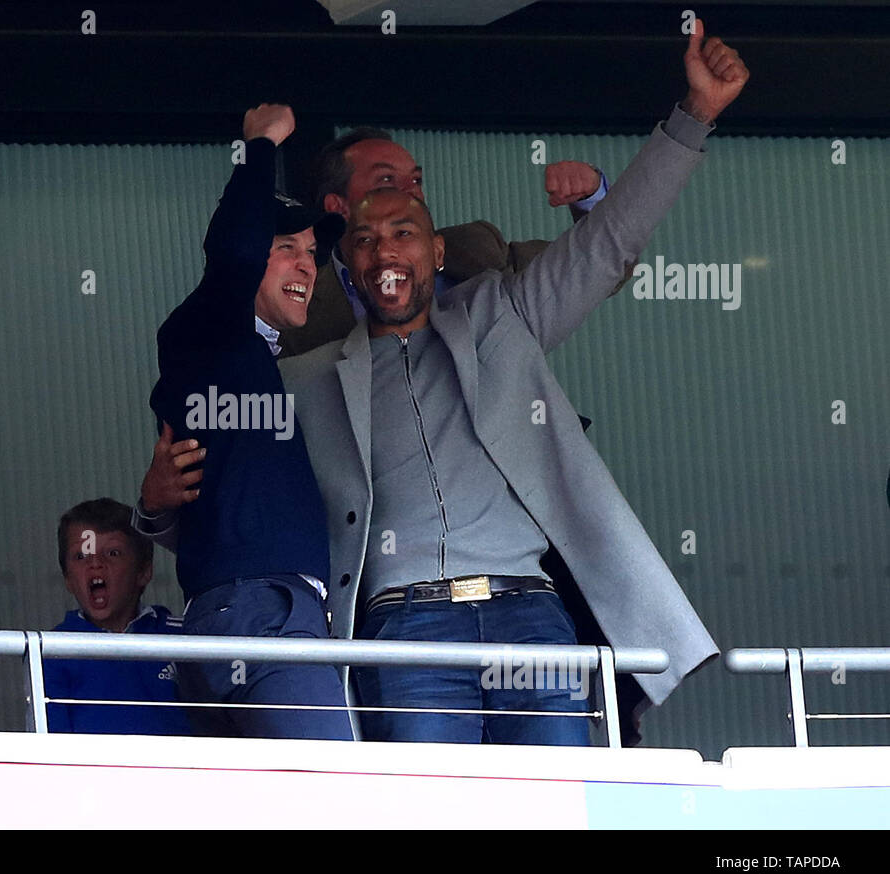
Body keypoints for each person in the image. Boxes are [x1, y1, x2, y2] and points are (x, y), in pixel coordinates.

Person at [275, 20, 746, 744]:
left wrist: (696, 117)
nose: (384, 251)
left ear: (435, 250)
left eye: (403, 230)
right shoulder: (310, 375)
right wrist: (155, 513)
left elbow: (609, 243)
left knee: (560, 803)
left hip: (531, 616)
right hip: (404, 626)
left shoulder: (503, 310)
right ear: (346, 253)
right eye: (366, 239)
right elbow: (236, 481)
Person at [138, 103, 353, 741]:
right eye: (285, 248)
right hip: (263, 611)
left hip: (246, 612)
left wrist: (151, 512)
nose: (306, 266)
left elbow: (210, 490)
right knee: (330, 800)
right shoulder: (212, 330)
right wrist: (260, 145)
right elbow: (231, 253)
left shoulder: (253, 359)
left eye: (311, 253)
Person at [278, 134, 616, 357]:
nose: (412, 192)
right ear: (338, 207)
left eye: (416, 180)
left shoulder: (477, 251)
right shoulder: (295, 301)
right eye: (386, 181)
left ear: (438, 250)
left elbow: (595, 271)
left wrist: (591, 197)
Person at [44, 499, 190, 735]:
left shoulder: (181, 636)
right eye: (81, 557)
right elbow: (49, 745)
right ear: (68, 579)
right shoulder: (53, 650)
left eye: (112, 553)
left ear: (143, 572)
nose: (95, 565)